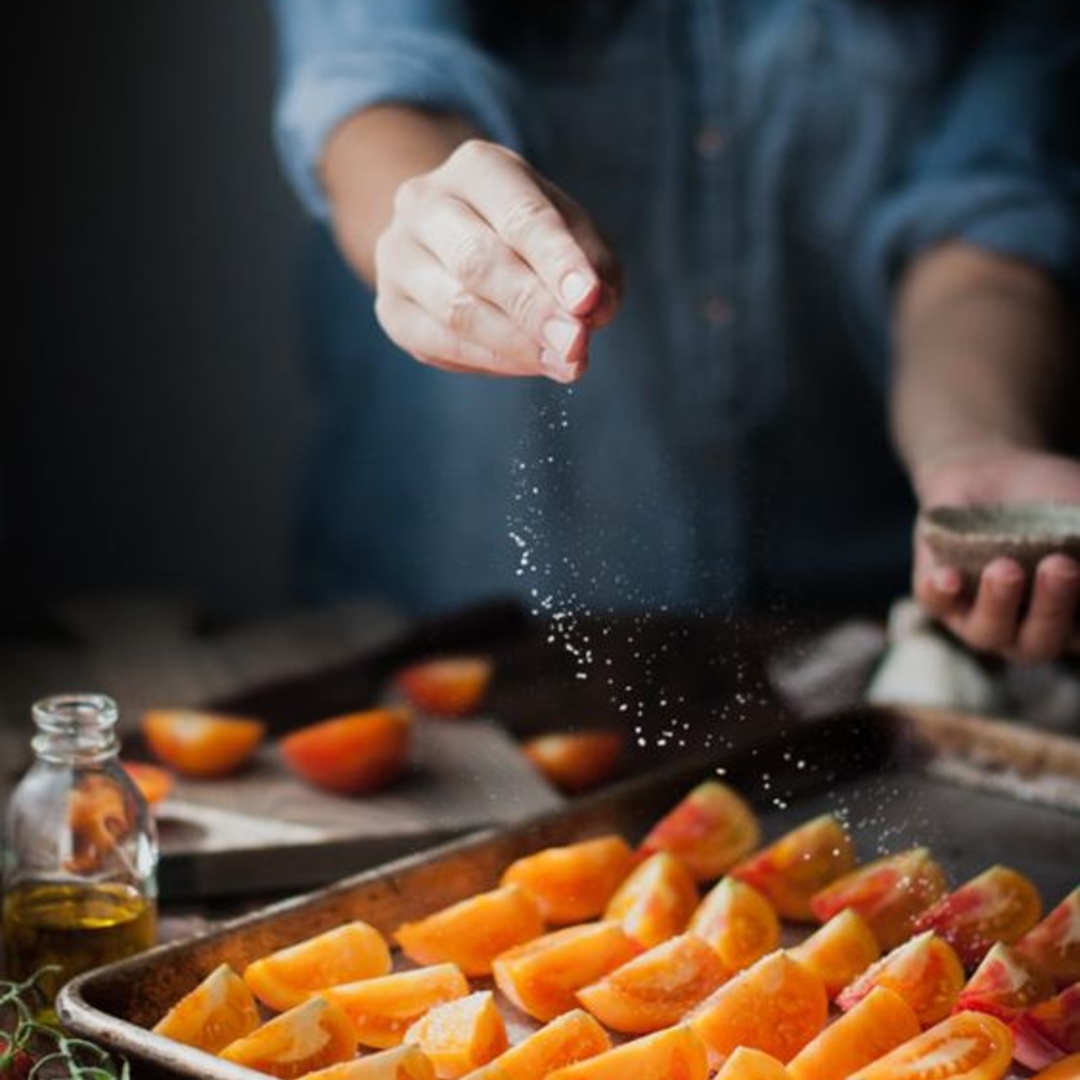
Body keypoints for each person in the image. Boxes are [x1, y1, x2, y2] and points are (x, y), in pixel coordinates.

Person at [268, 0, 1080, 664]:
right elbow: (371, 81)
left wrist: (975, 450)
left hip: (859, 639)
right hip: (447, 622)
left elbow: (989, 233)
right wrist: (434, 220)